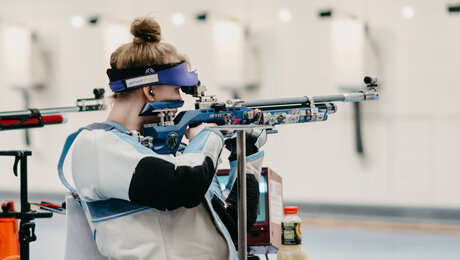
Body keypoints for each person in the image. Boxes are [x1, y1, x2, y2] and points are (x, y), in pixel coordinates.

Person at [58, 17, 266, 260]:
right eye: (177, 89)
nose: (181, 100)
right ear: (150, 90)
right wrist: (211, 135)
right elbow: (185, 184)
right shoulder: (96, 145)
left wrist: (247, 156)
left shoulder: (178, 154)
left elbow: (232, 226)